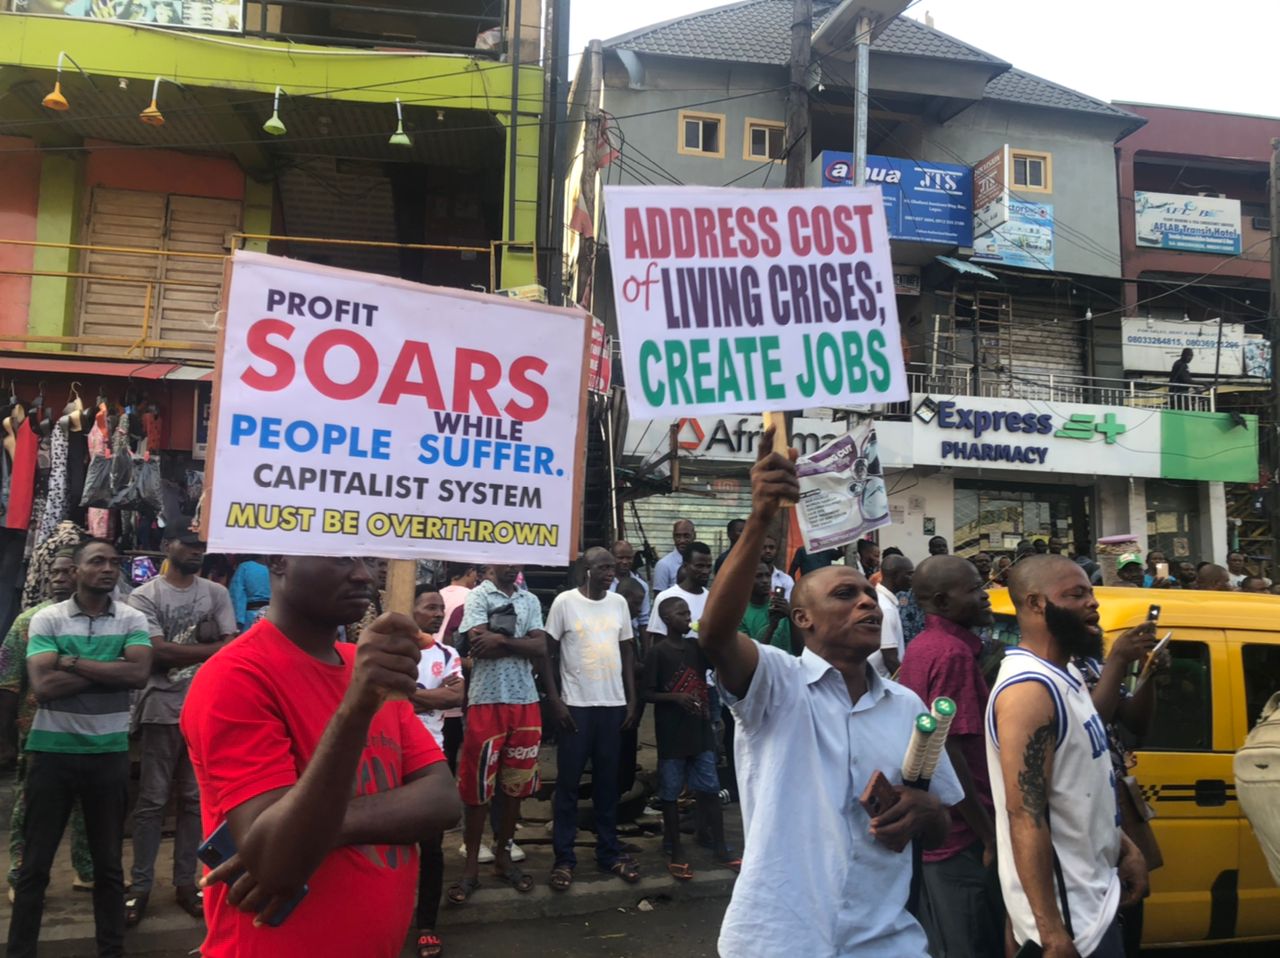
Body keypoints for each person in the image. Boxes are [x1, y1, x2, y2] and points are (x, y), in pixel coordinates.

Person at [700, 429, 962, 956]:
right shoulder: (776, 683)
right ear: (803, 620)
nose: (867, 603)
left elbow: (940, 827)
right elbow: (715, 636)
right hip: (778, 939)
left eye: (869, 594)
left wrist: (926, 813)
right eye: (845, 595)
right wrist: (760, 520)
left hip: (887, 943)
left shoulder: (908, 707)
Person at [181, 555, 458, 957]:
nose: (364, 574)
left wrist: (321, 827)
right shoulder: (236, 676)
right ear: (279, 561)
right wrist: (357, 707)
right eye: (340, 558)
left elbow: (443, 800)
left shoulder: (369, 669)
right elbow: (279, 863)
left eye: (367, 559)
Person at [989, 556, 1150, 957]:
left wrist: (1123, 847)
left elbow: (1081, 787)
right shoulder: (1028, 691)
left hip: (1096, 900)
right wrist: (1050, 932)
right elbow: (1025, 815)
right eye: (1076, 594)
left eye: (1090, 592)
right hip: (1069, 926)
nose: (1092, 602)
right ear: (1036, 603)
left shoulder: (1068, 674)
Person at [8, 539, 153, 958]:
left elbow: (140, 673)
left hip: (107, 755)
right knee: (35, 867)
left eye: (114, 562)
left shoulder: (131, 617)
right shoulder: (47, 619)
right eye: (97, 561)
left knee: (109, 867)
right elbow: (44, 686)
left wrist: (70, 662)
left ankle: (111, 950)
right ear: (76, 571)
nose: (107, 568)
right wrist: (112, 670)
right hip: (51, 756)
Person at [126, 519, 237, 926]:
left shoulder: (217, 592)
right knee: (152, 801)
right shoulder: (144, 595)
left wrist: (193, 651)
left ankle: (186, 883)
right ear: (168, 544)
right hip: (160, 708)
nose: (197, 551)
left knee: (194, 800)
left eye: (202, 545)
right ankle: (140, 886)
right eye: (190, 544)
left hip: (206, 709)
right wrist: (210, 649)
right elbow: (157, 653)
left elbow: (231, 648)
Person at [897, 556, 1002, 958]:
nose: (985, 595)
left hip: (944, 834)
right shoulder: (951, 653)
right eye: (975, 589)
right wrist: (988, 833)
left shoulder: (925, 646)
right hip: (963, 837)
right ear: (941, 600)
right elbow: (950, 749)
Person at [451, 564, 549, 902]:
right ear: (490, 565)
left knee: (515, 785)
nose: (512, 567)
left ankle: (504, 856)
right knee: (477, 787)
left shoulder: (530, 599)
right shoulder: (477, 597)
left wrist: (501, 639)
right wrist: (519, 642)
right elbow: (479, 646)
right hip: (485, 700)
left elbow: (542, 648)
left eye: (517, 561)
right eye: (505, 561)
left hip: (525, 700)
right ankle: (472, 865)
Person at [0, 551, 94, 899]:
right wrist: (7, 738)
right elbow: (7, 684)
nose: (59, 577)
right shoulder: (27, 622)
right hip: (38, 730)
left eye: (67, 571)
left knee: (90, 806)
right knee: (31, 805)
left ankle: (87, 871)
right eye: (54, 571)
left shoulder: (97, 620)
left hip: (90, 727)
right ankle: (20, 875)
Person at [545, 547, 640, 889]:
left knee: (607, 784)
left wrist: (631, 701)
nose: (609, 573)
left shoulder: (618, 604)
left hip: (612, 705)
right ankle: (564, 858)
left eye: (612, 568)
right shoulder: (565, 603)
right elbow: (548, 653)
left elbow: (628, 651)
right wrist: (555, 701)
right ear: (586, 569)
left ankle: (608, 852)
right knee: (569, 784)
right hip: (576, 707)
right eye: (602, 567)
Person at [1072, 614, 1163, 957]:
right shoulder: (1056, 673)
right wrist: (1119, 661)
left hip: (1116, 804)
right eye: (1081, 608)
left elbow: (1135, 722)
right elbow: (1088, 730)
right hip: (1085, 812)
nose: (1091, 615)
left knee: (1130, 906)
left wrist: (1149, 673)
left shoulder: (1094, 665)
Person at [644, 596, 737, 880]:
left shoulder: (696, 648)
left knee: (709, 788)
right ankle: (675, 849)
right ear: (667, 619)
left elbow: (720, 657)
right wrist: (675, 697)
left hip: (699, 730)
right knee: (670, 793)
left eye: (688, 613)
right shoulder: (657, 653)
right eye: (681, 613)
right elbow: (648, 693)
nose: (687, 617)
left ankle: (720, 845)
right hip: (672, 734)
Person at [410, 587, 465, 958]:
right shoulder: (389, 649)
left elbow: (454, 698)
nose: (437, 613)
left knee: (431, 845)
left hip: (431, 754)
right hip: (386, 754)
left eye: (440, 609)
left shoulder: (447, 653)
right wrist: (430, 693)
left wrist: (409, 692)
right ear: (409, 608)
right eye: (430, 607)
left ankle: (426, 923)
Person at [649, 542, 713, 637]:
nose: (705, 571)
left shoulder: (712, 599)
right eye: (699, 566)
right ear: (685, 566)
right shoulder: (665, 597)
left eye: (708, 566)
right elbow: (658, 639)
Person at [870, 554, 912, 678]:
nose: (912, 578)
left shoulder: (884, 601)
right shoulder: (885, 608)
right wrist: (905, 686)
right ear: (895, 576)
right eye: (909, 574)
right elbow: (890, 658)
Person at [740, 562, 793, 654]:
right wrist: (772, 627)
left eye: (768, 575)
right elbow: (752, 656)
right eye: (758, 576)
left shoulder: (782, 607)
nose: (765, 580)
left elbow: (800, 647)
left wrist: (791, 617)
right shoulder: (740, 615)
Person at [609, 540, 651, 631]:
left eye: (629, 558)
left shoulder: (642, 585)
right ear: (612, 557)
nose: (625, 562)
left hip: (633, 635)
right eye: (620, 557)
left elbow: (644, 620)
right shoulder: (605, 584)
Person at [227, 555, 270, 632]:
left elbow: (237, 595)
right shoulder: (278, 570)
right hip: (273, 616)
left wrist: (239, 620)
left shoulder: (245, 567)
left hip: (250, 616)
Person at [653, 519, 696, 592]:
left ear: (694, 535)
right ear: (673, 537)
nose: (682, 540)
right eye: (678, 536)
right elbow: (659, 598)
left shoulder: (699, 562)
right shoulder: (663, 565)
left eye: (686, 536)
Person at [760, 533, 795, 598]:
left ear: (776, 550)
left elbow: (789, 603)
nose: (768, 551)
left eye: (771, 548)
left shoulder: (786, 579)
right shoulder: (747, 577)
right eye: (763, 547)